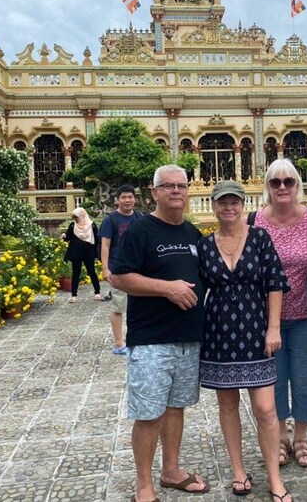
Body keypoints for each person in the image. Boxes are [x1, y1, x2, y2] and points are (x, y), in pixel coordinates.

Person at [111, 164, 210, 502]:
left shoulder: (192, 234)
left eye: (181, 185)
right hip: (152, 340)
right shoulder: (141, 231)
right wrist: (167, 289)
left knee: (175, 408)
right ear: (154, 192)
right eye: (168, 186)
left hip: (188, 338)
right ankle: (143, 485)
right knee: (149, 413)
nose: (176, 191)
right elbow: (120, 278)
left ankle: (171, 470)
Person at [199, 180, 292, 501]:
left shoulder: (259, 237)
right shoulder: (205, 244)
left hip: (256, 331)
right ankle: (239, 470)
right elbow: (196, 290)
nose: (229, 207)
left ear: (243, 205)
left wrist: (274, 327)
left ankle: (274, 478)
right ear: (214, 206)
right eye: (223, 202)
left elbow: (275, 283)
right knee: (228, 406)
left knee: (266, 409)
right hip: (219, 335)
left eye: (234, 202)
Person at [249, 158, 307, 469]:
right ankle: (280, 434)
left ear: (298, 185)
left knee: (305, 377)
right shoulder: (254, 221)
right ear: (267, 187)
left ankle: (302, 436)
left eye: (288, 181)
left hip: (306, 315)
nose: (282, 187)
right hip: (268, 321)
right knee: (275, 379)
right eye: (275, 182)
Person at [99, 184, 140, 354]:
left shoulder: (139, 218)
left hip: (138, 269)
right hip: (118, 269)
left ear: (134, 199)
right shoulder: (111, 220)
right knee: (118, 306)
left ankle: (135, 339)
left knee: (137, 306)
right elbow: (105, 245)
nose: (127, 200)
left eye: (130, 197)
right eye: (123, 197)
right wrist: (105, 268)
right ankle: (118, 342)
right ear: (117, 200)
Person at [61, 207, 101, 303]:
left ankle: (97, 292)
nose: (76, 219)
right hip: (76, 252)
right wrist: (64, 236)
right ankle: (74, 295)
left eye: (77, 217)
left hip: (88, 252)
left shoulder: (92, 226)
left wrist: (97, 251)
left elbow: (97, 239)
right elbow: (68, 237)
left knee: (91, 272)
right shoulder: (72, 225)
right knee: (76, 274)